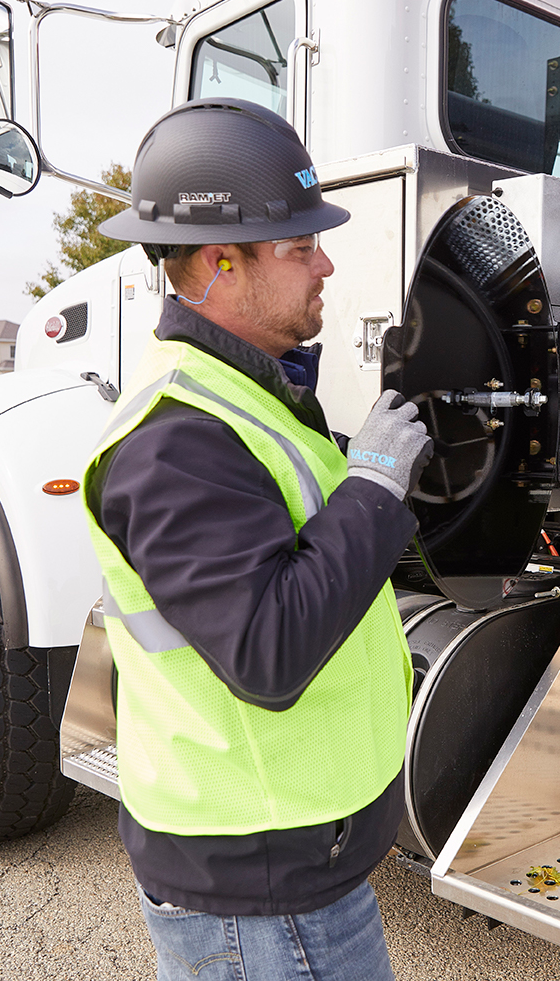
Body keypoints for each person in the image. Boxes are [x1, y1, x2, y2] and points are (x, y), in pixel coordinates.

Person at [83, 97, 433, 981]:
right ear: (217, 264)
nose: (325, 262)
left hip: (285, 863)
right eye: (298, 246)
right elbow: (269, 649)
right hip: (259, 891)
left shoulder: (249, 395)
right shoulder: (175, 438)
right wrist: (377, 484)